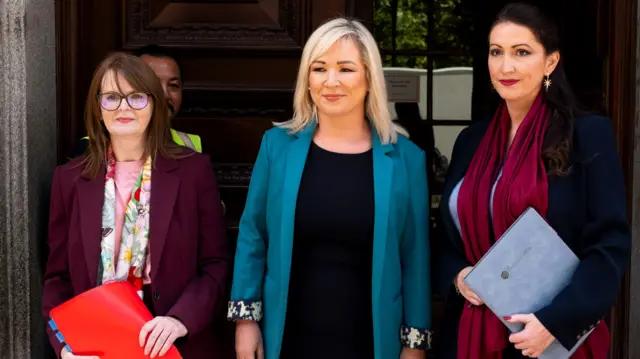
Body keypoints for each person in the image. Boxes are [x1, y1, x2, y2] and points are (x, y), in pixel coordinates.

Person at [433, 3, 631, 359]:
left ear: (550, 62)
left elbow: (610, 245)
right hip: (469, 335)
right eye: (497, 52)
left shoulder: (588, 135)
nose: (506, 66)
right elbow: (447, 239)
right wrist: (458, 276)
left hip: (551, 338)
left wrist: (556, 324)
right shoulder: (470, 141)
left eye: (521, 52)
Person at [227, 18, 431, 359]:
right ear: (307, 79)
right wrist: (245, 320)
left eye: (346, 69)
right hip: (288, 334)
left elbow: (415, 256)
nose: (331, 81)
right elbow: (253, 235)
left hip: (371, 339)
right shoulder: (277, 146)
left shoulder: (406, 159)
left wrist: (414, 344)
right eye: (319, 68)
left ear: (369, 78)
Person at [42, 52, 230, 359]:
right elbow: (57, 280)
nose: (124, 107)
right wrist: (65, 346)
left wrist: (180, 320)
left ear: (154, 103)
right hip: (95, 345)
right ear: (97, 105)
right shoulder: (70, 179)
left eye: (136, 97)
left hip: (173, 343)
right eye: (112, 97)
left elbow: (215, 265)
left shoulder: (193, 171)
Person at [69, 44, 201, 158]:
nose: (164, 94)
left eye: (173, 86)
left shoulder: (192, 146)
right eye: (153, 83)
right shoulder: (88, 150)